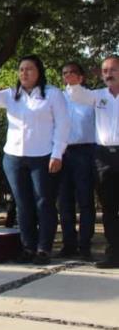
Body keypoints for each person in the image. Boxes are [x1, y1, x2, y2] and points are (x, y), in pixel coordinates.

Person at [0, 55, 69, 265]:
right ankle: (28, 247)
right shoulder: (12, 94)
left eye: (29, 69)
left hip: (43, 157)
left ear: (39, 72)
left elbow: (63, 125)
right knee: (22, 204)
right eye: (21, 70)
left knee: (44, 202)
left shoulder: (53, 94)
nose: (24, 73)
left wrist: (57, 154)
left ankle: (44, 248)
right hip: (14, 158)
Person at [64, 55, 119, 269]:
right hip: (103, 157)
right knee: (109, 208)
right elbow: (78, 96)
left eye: (113, 69)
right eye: (105, 70)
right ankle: (114, 253)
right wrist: (73, 81)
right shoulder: (97, 96)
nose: (108, 74)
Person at [56, 62, 97, 260]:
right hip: (63, 152)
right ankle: (69, 244)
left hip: (85, 152)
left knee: (85, 201)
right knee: (64, 202)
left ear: (82, 77)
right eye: (65, 73)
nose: (69, 76)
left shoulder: (92, 99)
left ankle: (85, 245)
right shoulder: (59, 99)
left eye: (73, 72)